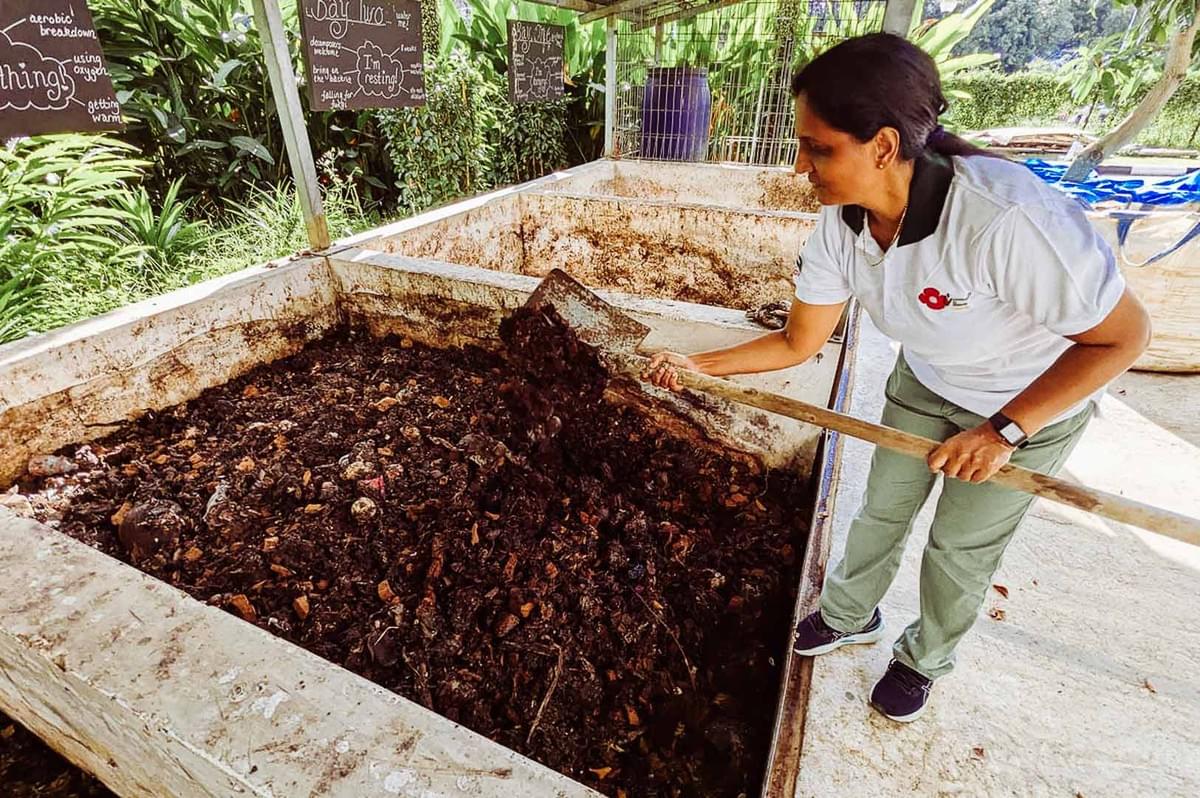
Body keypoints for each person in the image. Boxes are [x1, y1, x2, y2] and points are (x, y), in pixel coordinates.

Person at [643, 33, 1151, 723]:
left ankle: (922, 660)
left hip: (1024, 404)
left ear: (883, 146)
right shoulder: (839, 225)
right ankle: (850, 614)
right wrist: (697, 366)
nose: (801, 166)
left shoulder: (1005, 220)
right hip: (927, 378)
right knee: (881, 507)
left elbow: (1124, 337)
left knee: (958, 549)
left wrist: (1004, 430)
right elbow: (799, 340)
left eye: (818, 147)